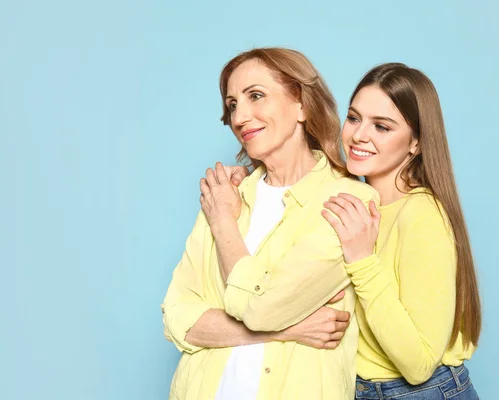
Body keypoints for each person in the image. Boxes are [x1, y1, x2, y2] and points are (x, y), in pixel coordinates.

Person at [161, 47, 378, 400]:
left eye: (255, 96)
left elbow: (262, 308)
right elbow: (178, 316)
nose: (239, 117)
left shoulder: (349, 201)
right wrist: (287, 330)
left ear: (302, 105)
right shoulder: (225, 196)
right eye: (232, 105)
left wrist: (223, 225)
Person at [320, 63, 481, 399]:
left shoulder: (421, 213)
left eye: (382, 126)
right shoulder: (355, 205)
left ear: (416, 143)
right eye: (354, 118)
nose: (359, 135)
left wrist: (362, 260)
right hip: (358, 387)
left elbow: (419, 364)